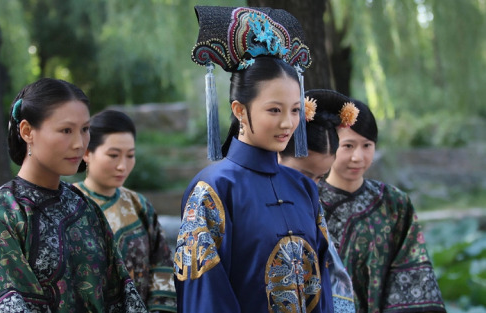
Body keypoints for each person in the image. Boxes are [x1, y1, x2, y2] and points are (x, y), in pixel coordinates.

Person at [173, 6, 333, 313]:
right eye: (275, 110)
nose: (288, 123)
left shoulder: (304, 187)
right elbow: (205, 293)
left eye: (296, 110)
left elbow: (322, 283)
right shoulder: (212, 189)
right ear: (239, 110)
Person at [0, 78, 147, 312]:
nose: (79, 144)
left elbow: (121, 295)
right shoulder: (1, 213)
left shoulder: (85, 207)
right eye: (66, 130)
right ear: (27, 131)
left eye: (84, 129)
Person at [317, 99, 447, 312]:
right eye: (348, 145)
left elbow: (411, 271)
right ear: (330, 144)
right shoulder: (310, 201)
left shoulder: (394, 203)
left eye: (367, 145)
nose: (358, 157)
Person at [74, 109, 176, 312]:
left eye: (130, 155)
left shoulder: (139, 205)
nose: (123, 165)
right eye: (113, 155)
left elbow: (162, 267)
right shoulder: (68, 205)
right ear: (87, 152)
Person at [279, 89, 360, 313]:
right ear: (278, 154)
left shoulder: (311, 208)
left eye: (320, 177)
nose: (312, 186)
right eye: (304, 176)